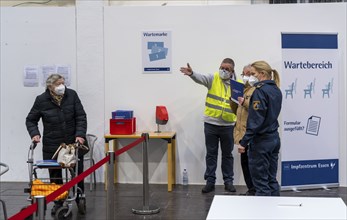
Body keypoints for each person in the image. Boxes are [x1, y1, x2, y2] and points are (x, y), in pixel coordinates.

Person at [26, 74, 87, 214]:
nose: (62, 86)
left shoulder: (72, 95)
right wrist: (34, 133)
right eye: (58, 84)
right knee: (55, 175)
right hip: (52, 144)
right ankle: (58, 201)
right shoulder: (41, 100)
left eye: (63, 83)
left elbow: (81, 116)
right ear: (50, 86)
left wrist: (80, 135)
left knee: (77, 172)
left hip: (73, 144)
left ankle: (79, 197)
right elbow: (30, 120)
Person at [180, 58, 237, 193]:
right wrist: (192, 74)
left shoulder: (238, 84)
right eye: (221, 67)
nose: (223, 70)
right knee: (211, 154)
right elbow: (201, 78)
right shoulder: (213, 78)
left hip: (228, 125)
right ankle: (210, 181)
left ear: (232, 71)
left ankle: (228, 181)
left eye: (226, 69)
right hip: (211, 124)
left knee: (227, 155)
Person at [239, 61, 282, 196]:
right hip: (274, 139)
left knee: (261, 184)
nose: (251, 77)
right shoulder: (276, 90)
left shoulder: (260, 92)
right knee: (271, 180)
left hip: (261, 142)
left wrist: (244, 142)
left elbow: (256, 121)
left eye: (253, 74)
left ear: (262, 74)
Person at [232, 64, 256, 196]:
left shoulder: (257, 90)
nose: (246, 76)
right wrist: (233, 99)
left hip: (251, 135)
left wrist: (244, 102)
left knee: (251, 166)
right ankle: (251, 190)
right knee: (245, 165)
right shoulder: (243, 89)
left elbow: (257, 110)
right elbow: (238, 112)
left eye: (249, 73)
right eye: (244, 73)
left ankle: (255, 191)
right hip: (242, 134)